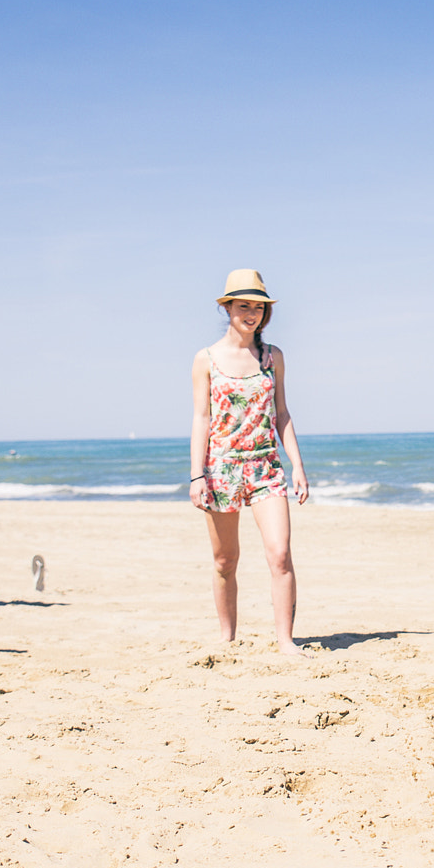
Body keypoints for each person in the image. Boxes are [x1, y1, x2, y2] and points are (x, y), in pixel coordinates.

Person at [191, 269, 309, 653]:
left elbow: (282, 413)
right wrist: (197, 476)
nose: (252, 314)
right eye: (244, 306)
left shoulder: (272, 357)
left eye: (258, 307)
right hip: (221, 468)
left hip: (265, 467)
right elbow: (201, 418)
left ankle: (285, 641)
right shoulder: (205, 359)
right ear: (227, 308)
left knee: (280, 555)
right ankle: (227, 638)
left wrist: (297, 466)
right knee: (225, 560)